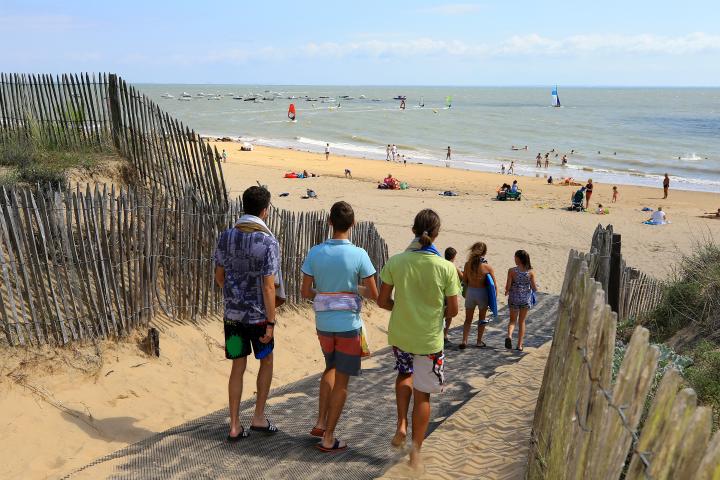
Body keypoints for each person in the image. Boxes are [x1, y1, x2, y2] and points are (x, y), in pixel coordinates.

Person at [377, 209, 460, 469]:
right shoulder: (446, 267)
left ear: (413, 230)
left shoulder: (397, 261)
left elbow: (382, 300)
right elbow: (453, 310)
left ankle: (401, 423)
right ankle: (415, 454)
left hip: (401, 333)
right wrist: (434, 313)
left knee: (404, 374)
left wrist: (402, 309)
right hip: (429, 339)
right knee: (423, 396)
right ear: (436, 234)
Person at [301, 201, 379, 452]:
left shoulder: (315, 252)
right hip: (348, 324)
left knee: (330, 367)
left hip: (323, 322)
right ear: (353, 224)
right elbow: (374, 294)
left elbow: (305, 292)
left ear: (329, 222)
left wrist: (326, 295)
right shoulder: (359, 254)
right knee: (342, 380)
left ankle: (320, 422)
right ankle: (328, 437)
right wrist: (352, 290)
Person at [214, 186, 286, 441]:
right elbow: (269, 286)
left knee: (237, 366)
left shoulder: (225, 237)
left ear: (243, 206)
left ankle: (234, 425)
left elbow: (219, 276)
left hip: (233, 317)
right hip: (258, 319)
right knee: (266, 360)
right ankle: (258, 417)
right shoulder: (268, 242)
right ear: (265, 211)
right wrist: (271, 322)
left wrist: (235, 294)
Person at [461, 242, 496, 349]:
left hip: (470, 292)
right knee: (482, 318)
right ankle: (479, 341)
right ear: (484, 253)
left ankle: (464, 341)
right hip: (482, 293)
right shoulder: (487, 267)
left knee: (468, 319)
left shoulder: (467, 265)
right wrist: (493, 300)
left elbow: (464, 281)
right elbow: (493, 286)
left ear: (472, 250)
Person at [504, 250, 537, 351]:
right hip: (525, 299)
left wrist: (507, 291)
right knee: (522, 321)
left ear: (518, 259)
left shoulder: (512, 271)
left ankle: (509, 336)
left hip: (514, 298)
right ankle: (519, 345)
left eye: (515, 257)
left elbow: (508, 286)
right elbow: (534, 288)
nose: (514, 259)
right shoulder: (530, 272)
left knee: (512, 321)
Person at [443, 247, 463, 345]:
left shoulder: (441, 264)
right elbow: (462, 277)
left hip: (440, 292)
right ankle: (445, 334)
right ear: (454, 257)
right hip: (449, 294)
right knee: (449, 314)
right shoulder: (453, 266)